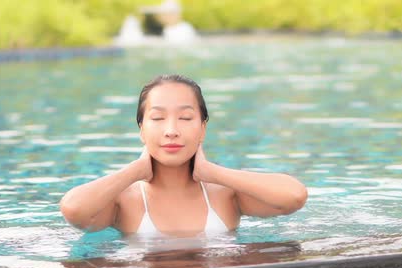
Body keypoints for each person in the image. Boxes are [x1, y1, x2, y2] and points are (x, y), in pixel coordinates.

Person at [60, 74, 307, 237]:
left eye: (186, 118)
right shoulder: (124, 200)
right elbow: (74, 210)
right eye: (157, 118)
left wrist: (212, 172)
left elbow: (294, 196)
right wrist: (135, 170)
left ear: (203, 128)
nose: (171, 131)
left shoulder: (225, 195)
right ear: (142, 130)